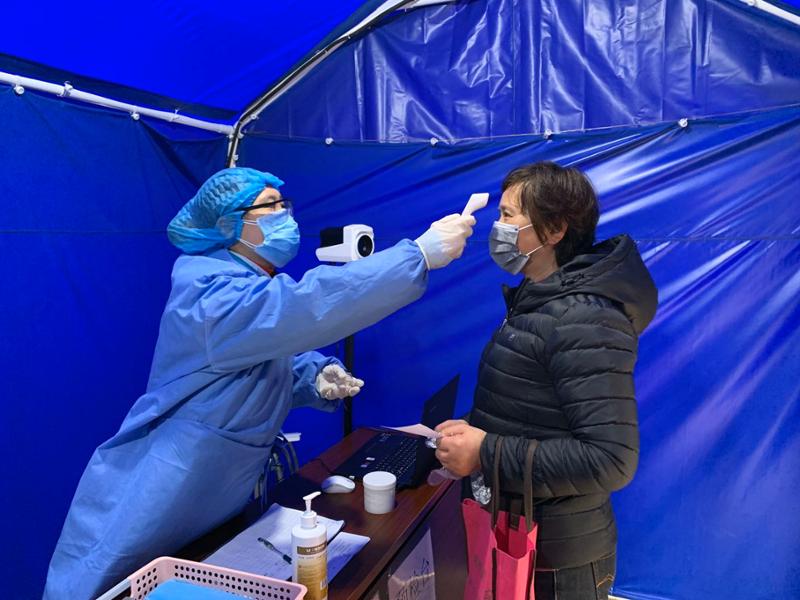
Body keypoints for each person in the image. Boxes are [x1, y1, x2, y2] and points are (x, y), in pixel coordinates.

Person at [44, 167, 476, 600]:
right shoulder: (209, 295)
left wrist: (311, 377)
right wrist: (416, 255)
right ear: (228, 224)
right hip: (162, 488)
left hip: (211, 493)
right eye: (269, 206)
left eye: (283, 204)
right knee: (113, 585)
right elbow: (299, 307)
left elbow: (252, 363)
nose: (284, 214)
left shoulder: (245, 282)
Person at [434, 162, 657, 600]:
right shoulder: (537, 300)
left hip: (558, 561)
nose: (497, 228)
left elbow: (611, 459)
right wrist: (472, 429)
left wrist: (485, 451)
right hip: (521, 534)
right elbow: (531, 406)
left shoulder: (585, 317)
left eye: (508, 215)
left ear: (554, 229)